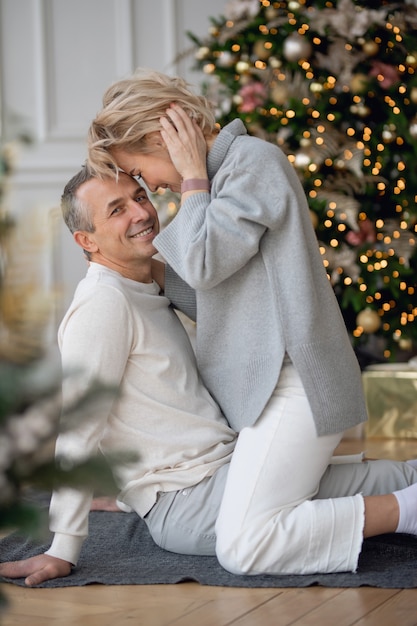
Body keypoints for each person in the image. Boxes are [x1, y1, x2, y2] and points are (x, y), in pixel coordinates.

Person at [1, 169, 417, 588]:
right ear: (86, 241)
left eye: (139, 196)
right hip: (192, 502)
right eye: (116, 210)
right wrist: (64, 546)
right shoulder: (101, 304)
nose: (140, 213)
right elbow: (79, 427)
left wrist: (126, 490)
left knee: (396, 478)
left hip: (233, 467)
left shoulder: (147, 284)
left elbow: (159, 404)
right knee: (385, 499)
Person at [84, 67, 417, 576]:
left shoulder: (252, 163)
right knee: (318, 491)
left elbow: (203, 264)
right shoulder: (219, 181)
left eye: (139, 170)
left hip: (294, 385)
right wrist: (131, 272)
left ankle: (408, 511)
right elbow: (220, 301)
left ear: (161, 137)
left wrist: (192, 176)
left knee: (242, 546)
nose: (147, 184)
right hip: (265, 391)